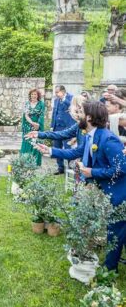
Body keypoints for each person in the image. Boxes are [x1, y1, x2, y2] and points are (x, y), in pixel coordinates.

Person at [35, 101, 126, 271]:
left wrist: (93, 172)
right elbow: (76, 152)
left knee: (115, 230)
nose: (78, 115)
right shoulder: (91, 135)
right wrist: (51, 152)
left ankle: (109, 270)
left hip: (119, 192)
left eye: (81, 112)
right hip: (106, 191)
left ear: (90, 117)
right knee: (120, 229)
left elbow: (121, 168)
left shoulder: (108, 139)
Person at [51, 85, 76, 174]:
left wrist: (64, 99)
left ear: (63, 91)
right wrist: (52, 126)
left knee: (68, 147)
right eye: (55, 92)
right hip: (57, 127)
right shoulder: (56, 100)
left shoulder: (71, 98)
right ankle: (60, 167)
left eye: (57, 92)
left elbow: (71, 107)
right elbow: (54, 112)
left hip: (67, 127)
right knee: (57, 147)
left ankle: (71, 166)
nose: (56, 94)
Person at [20, 89, 45, 166]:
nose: (33, 96)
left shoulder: (41, 104)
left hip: (38, 126)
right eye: (32, 94)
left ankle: (35, 162)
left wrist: (38, 125)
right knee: (27, 142)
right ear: (30, 95)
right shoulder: (27, 104)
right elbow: (26, 115)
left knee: (36, 142)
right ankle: (25, 161)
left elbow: (41, 115)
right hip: (28, 125)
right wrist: (32, 123)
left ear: (38, 96)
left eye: (35, 94)